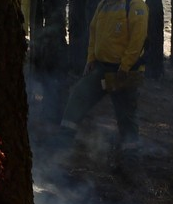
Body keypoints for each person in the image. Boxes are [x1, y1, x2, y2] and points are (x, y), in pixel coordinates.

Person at [52, 0, 149, 160]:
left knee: (126, 114)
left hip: (125, 72)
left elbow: (137, 40)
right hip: (102, 68)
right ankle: (63, 139)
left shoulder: (135, 5)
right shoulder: (104, 4)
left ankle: (130, 155)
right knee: (79, 93)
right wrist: (91, 58)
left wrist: (125, 66)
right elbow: (94, 32)